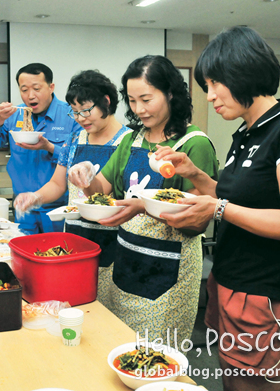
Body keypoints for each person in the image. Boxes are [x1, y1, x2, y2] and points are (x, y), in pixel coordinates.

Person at [160, 26, 280, 391]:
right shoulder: (246, 132)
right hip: (229, 282)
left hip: (269, 292)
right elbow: (235, 199)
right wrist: (194, 173)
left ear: (243, 73)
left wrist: (217, 210)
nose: (210, 96)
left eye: (216, 84)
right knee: (231, 380)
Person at [68, 55, 219, 344]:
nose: (139, 109)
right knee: (119, 348)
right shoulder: (132, 140)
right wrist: (85, 178)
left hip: (168, 274)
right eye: (133, 101)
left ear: (171, 93)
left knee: (155, 359)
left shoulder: (194, 143)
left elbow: (196, 218)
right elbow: (104, 192)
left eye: (147, 99)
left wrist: (142, 206)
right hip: (126, 265)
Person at [13, 69, 130, 303]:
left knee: (107, 308)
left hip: (114, 240)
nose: (81, 118)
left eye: (86, 110)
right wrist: (34, 197)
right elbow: (57, 183)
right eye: (75, 113)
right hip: (75, 237)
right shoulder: (76, 139)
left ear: (106, 102)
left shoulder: (129, 141)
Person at [0, 63, 82, 234]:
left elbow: (80, 158)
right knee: (25, 255)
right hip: (23, 207)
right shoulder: (15, 115)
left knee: (57, 254)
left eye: (36, 88)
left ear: (51, 87)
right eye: (24, 89)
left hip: (58, 208)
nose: (30, 96)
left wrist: (49, 147)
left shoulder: (72, 115)